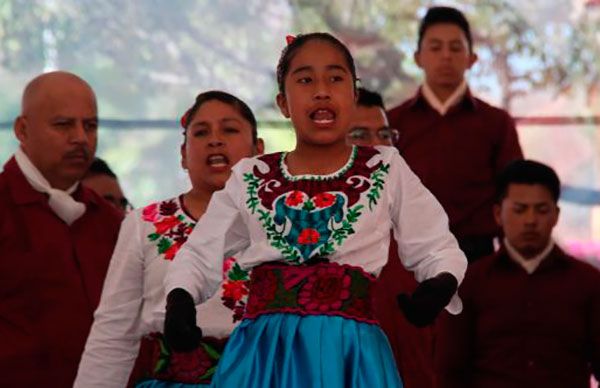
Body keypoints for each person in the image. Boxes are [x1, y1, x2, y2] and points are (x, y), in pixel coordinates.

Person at [163, 32, 468, 387]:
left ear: (353, 96)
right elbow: (199, 254)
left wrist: (439, 283)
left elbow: (436, 246)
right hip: (262, 358)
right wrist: (180, 298)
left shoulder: (385, 168)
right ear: (282, 103)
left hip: (349, 356)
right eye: (306, 79)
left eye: (335, 78)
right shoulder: (251, 175)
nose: (321, 90)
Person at [74, 91, 264, 388]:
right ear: (183, 155)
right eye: (201, 132)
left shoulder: (280, 221)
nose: (215, 139)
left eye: (229, 129)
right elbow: (114, 331)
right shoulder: (145, 224)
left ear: (258, 151)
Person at [0, 71, 122, 387]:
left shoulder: (110, 221)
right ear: (22, 130)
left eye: (90, 126)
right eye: (63, 125)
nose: (80, 137)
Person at [435, 160, 600, 388]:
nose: (530, 221)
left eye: (541, 210)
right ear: (497, 214)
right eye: (519, 210)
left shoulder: (588, 284)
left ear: (556, 215)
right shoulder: (471, 284)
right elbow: (450, 371)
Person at [387, 6, 523, 261]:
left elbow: (514, 194)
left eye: (456, 48)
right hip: (408, 258)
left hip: (478, 257)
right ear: (418, 58)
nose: (446, 56)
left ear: (472, 58)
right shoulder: (393, 122)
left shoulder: (497, 123)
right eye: (436, 48)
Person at [347, 86, 436, 388]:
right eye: (360, 135)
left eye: (385, 136)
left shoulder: (421, 227)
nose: (378, 147)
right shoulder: (305, 230)